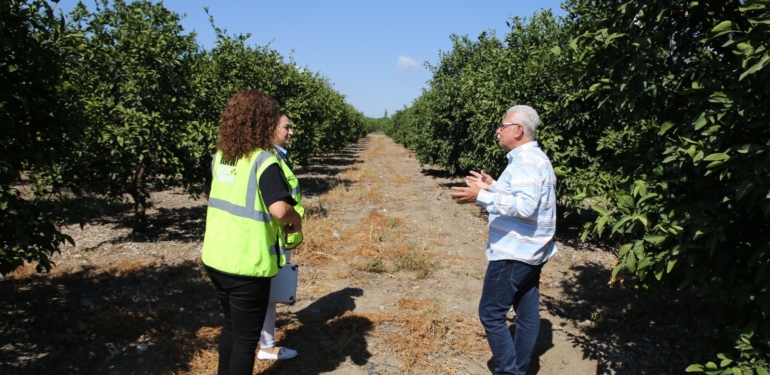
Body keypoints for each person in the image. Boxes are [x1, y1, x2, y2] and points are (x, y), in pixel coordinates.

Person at [450, 105, 557, 375]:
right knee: (527, 313)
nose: (498, 130)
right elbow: (522, 196)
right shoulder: (532, 159)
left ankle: (510, 371)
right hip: (531, 251)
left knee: (491, 313)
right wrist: (493, 185)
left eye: (503, 125)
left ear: (518, 130)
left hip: (514, 253)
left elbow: (525, 206)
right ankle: (518, 368)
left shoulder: (526, 161)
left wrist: (481, 196)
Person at [201, 89, 302, 375]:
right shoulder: (263, 161)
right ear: (262, 122)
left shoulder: (221, 157)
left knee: (230, 328)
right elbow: (280, 209)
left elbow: (211, 194)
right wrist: (296, 221)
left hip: (216, 258)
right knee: (245, 342)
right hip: (247, 263)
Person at [258, 111, 304, 360]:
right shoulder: (268, 160)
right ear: (270, 129)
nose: (291, 132)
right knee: (268, 291)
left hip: (280, 234)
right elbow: (278, 206)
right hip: (274, 234)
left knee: (270, 291)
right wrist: (294, 220)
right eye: (286, 127)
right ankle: (266, 345)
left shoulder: (277, 156)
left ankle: (265, 337)